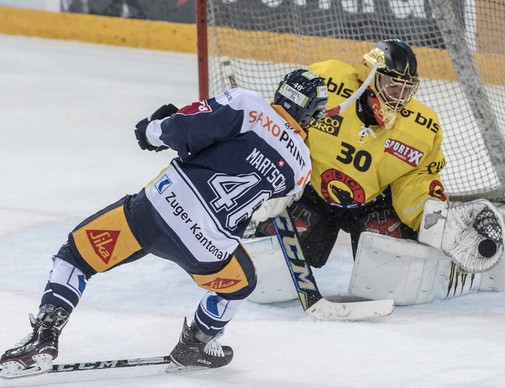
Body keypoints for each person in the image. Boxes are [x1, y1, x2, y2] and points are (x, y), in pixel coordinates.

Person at [0, 69, 328, 378]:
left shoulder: (248, 103)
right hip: (209, 249)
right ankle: (197, 342)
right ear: (310, 116)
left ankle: (44, 335)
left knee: (77, 255)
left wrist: (152, 130)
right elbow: (267, 203)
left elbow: (189, 131)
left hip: (158, 211)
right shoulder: (302, 168)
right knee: (243, 282)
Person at [254, 39, 447, 267]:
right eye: (392, 85)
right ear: (370, 75)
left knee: (386, 271)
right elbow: (282, 123)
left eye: (406, 88)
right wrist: (269, 183)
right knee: (272, 254)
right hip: (312, 193)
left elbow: (417, 179)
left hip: (374, 205)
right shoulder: (326, 82)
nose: (399, 95)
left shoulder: (422, 126)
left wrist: (431, 216)